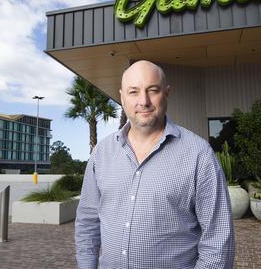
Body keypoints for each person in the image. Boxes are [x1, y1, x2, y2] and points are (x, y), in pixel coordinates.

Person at [75, 60, 235, 269]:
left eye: (153, 90)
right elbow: (88, 223)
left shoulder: (199, 154)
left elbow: (218, 237)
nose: (144, 101)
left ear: (166, 93)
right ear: (122, 97)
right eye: (134, 92)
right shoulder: (101, 153)